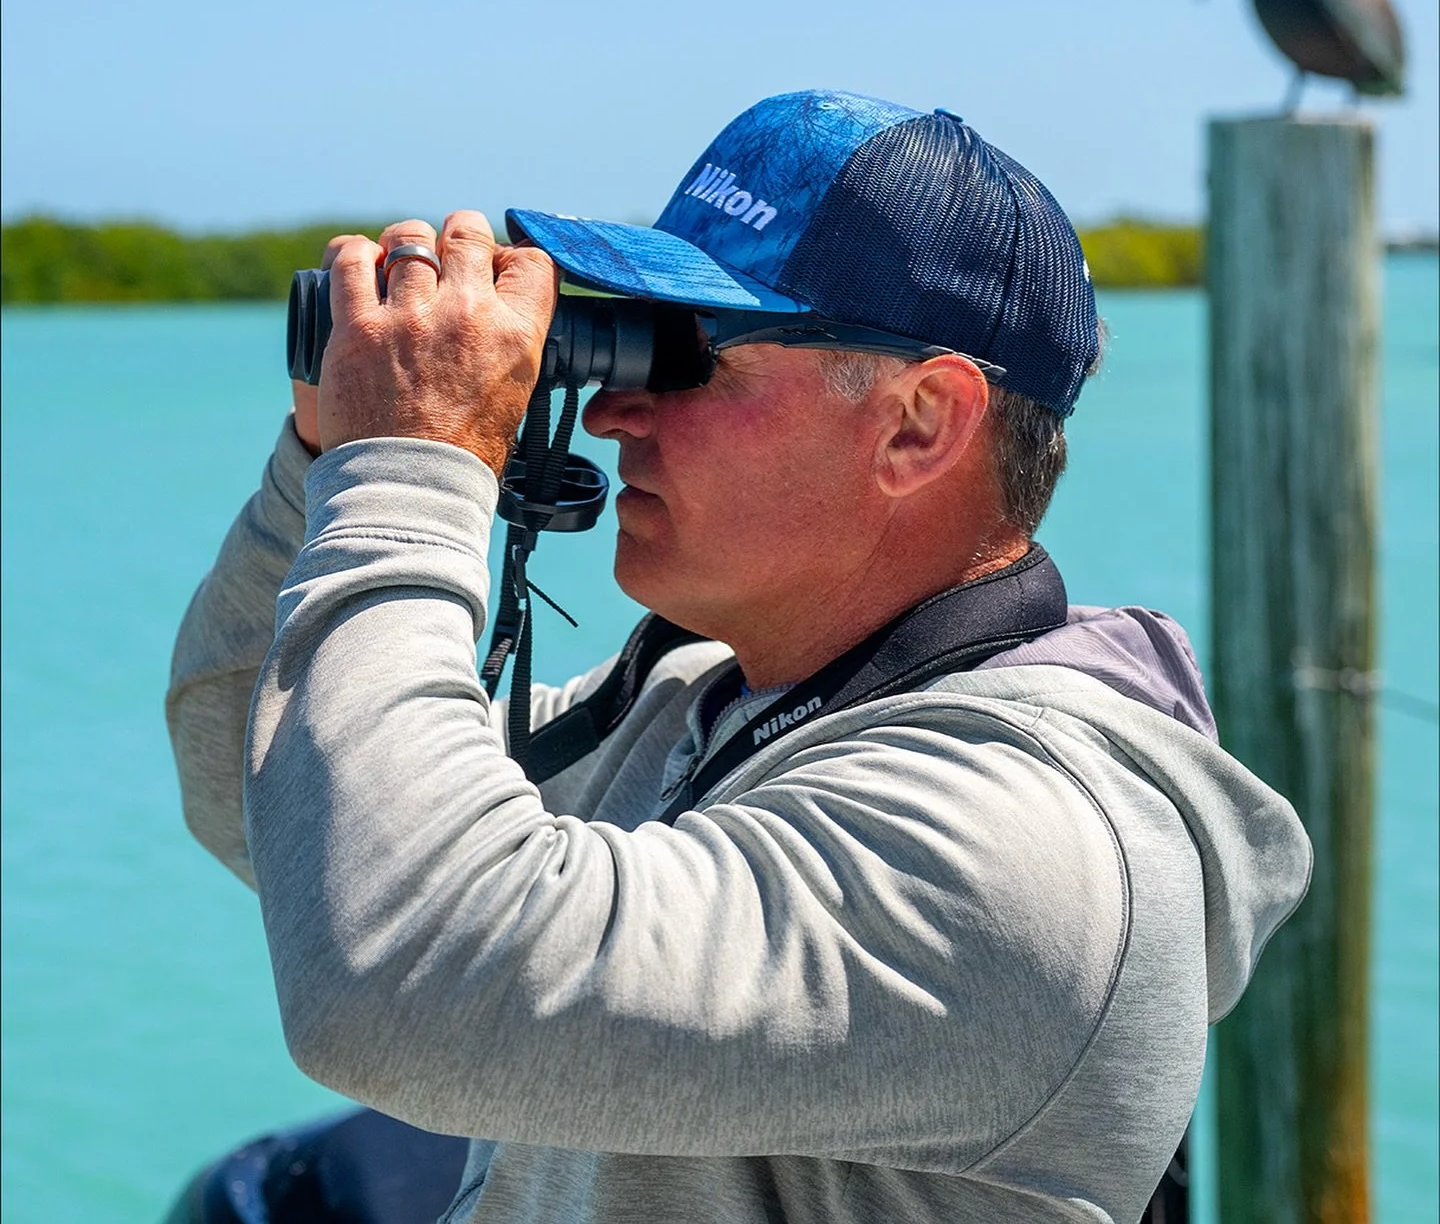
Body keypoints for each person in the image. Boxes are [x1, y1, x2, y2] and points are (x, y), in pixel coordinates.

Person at [168, 89, 1311, 1223]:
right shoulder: (695, 707)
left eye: (690, 354)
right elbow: (267, 792)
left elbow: (395, 979)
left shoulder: (1025, 848)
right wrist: (327, 449)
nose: (615, 411)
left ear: (919, 422)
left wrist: (412, 470)